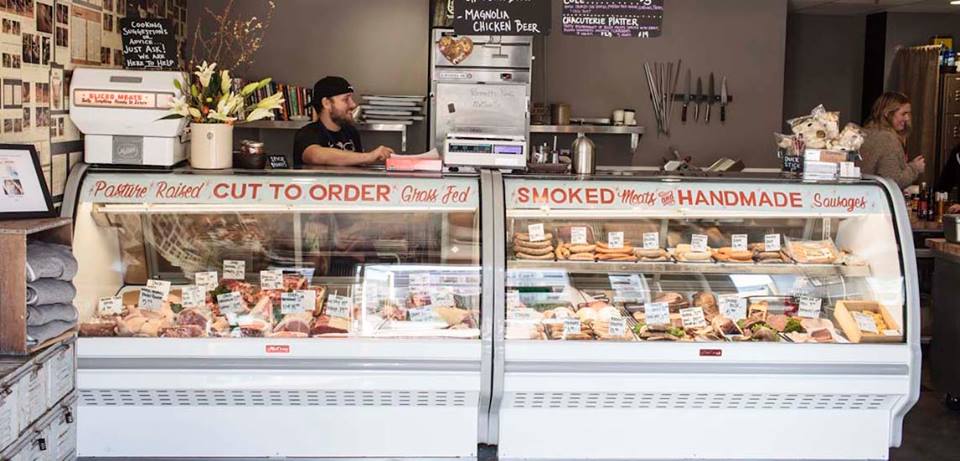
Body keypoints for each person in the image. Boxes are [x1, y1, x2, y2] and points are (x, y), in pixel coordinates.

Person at [292, 76, 394, 167]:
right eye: (346, 99)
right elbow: (315, 155)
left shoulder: (351, 132)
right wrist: (369, 156)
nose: (353, 104)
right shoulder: (307, 133)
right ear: (326, 103)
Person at [859, 92, 926, 189]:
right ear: (887, 113)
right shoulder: (888, 140)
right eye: (903, 114)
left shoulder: (864, 133)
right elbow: (893, 181)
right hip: (877, 196)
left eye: (908, 114)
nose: (907, 118)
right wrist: (915, 168)